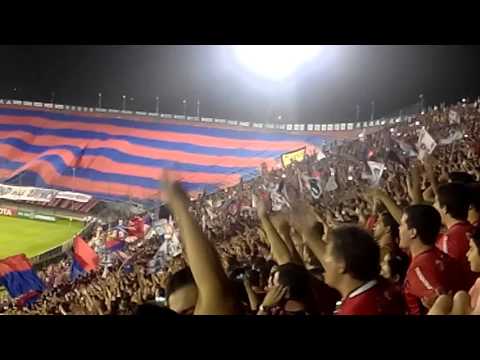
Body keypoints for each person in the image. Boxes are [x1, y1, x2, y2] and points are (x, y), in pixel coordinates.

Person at [400, 205, 468, 315]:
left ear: (413, 232)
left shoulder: (418, 269)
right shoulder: (443, 256)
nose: (399, 228)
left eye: (401, 225)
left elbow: (440, 298)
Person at [434, 182, 477, 287]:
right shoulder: (474, 230)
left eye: (435, 202)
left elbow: (447, 277)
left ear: (444, 208)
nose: (433, 206)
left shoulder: (448, 241)